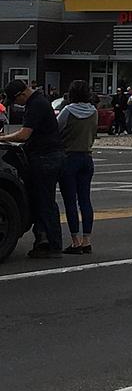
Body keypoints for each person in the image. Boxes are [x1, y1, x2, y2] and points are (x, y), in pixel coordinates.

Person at [3, 79, 66, 259]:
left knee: (45, 202)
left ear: (21, 94)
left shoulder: (36, 104)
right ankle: (44, 242)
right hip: (47, 156)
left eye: (15, 101)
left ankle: (53, 245)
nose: (15, 105)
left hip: (46, 157)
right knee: (42, 200)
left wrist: (3, 138)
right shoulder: (38, 102)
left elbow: (24, 134)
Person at [57, 80, 97, 254]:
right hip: (87, 156)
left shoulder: (68, 110)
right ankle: (87, 239)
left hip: (69, 156)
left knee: (70, 201)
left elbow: (57, 128)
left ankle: (75, 241)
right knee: (85, 200)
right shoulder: (94, 111)